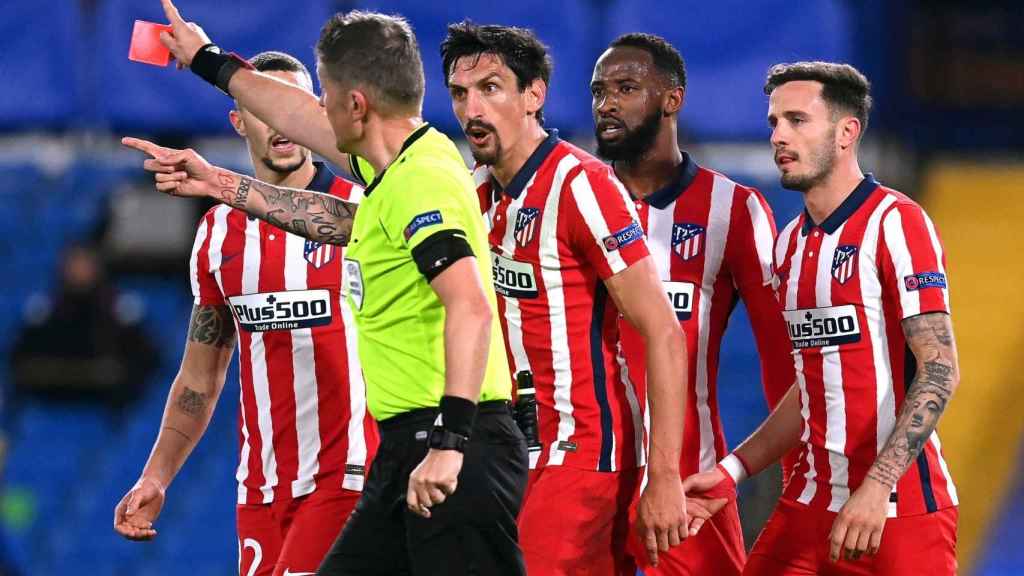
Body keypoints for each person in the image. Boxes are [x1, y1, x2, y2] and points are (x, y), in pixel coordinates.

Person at [125, 3, 528, 575]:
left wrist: (450, 441)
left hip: (451, 445)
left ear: (355, 105)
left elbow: (470, 306)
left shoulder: (420, 183)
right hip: (403, 450)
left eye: (326, 99)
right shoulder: (394, 168)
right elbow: (309, 155)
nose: (311, 118)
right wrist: (205, 62)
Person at [683, 62, 960, 575]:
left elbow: (940, 369)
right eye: (773, 123)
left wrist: (877, 488)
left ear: (846, 132)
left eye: (797, 120)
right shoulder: (788, 245)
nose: (779, 137)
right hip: (809, 507)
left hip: (900, 513)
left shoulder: (896, 223)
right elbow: (812, 387)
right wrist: (731, 470)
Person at [440, 22, 695, 574]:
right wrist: (234, 189)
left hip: (583, 454)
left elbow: (663, 330)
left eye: (491, 88)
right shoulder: (475, 190)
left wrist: (664, 475)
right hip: (510, 454)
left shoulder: (582, 185)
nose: (472, 108)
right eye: (460, 94)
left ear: (534, 95)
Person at [112, 51, 377, 576]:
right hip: (261, 490)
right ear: (239, 120)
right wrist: (157, 476)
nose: (281, 123)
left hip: (350, 478)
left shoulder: (364, 212)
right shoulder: (220, 233)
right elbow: (200, 377)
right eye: (265, 108)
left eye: (292, 107)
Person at [590, 33, 797, 575]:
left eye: (627, 87)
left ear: (672, 99)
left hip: (687, 489)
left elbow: (785, 365)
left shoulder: (733, 210)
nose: (607, 103)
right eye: (597, 91)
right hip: (581, 478)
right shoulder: (572, 197)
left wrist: (790, 474)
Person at [12, 243, 158, 406]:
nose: (80, 270)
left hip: (108, 406)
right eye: (75, 263)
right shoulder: (44, 311)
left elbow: (146, 360)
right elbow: (21, 360)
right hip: (51, 402)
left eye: (85, 263)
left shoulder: (120, 310)